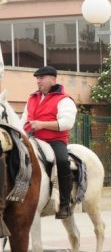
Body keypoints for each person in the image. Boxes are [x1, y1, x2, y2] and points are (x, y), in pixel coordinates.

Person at [22, 66, 77, 219]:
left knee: (62, 161)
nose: (38, 81)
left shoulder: (64, 99)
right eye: (37, 78)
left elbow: (67, 123)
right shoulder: (32, 98)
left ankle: (65, 204)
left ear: (53, 79)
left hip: (55, 141)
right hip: (32, 139)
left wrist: (42, 124)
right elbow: (24, 120)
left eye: (41, 78)